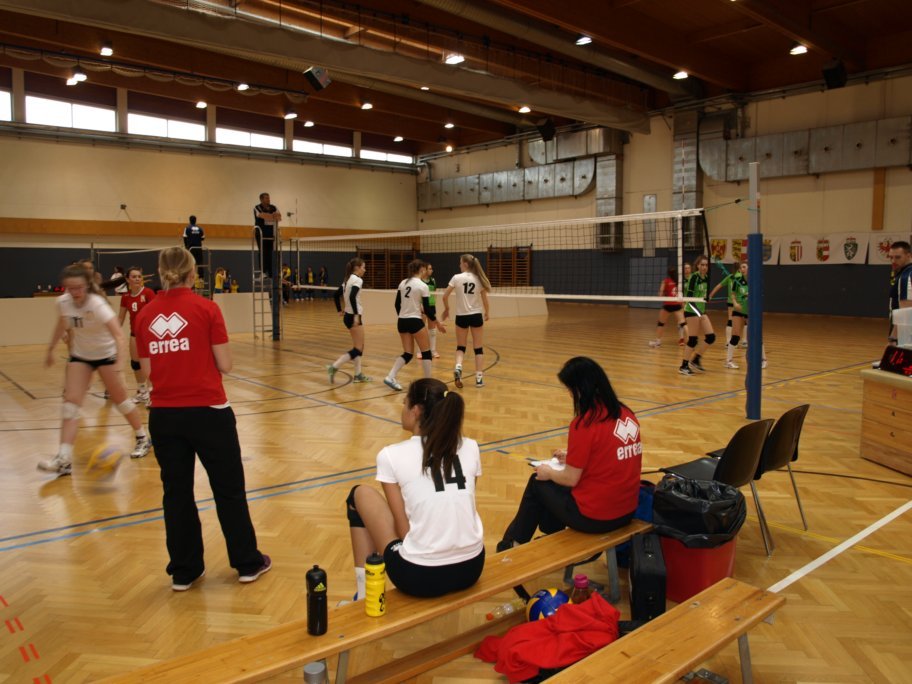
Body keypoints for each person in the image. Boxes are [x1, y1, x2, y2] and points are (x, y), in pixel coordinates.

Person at [134, 247, 271, 591]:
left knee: (176, 493)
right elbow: (226, 365)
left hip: (164, 417)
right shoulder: (207, 309)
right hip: (209, 413)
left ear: (160, 273)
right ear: (193, 274)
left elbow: (146, 371)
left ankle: (184, 570)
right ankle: (247, 563)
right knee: (228, 490)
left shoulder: (145, 314)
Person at [345, 378, 484, 599]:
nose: (402, 408)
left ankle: (364, 596)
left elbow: (403, 531)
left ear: (416, 410)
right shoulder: (471, 446)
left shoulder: (390, 455)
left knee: (359, 494)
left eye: (405, 403)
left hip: (420, 577)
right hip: (472, 567)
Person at [496, 357, 641, 551]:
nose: (569, 394)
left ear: (580, 389)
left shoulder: (585, 423)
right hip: (627, 510)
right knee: (552, 488)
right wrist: (572, 457)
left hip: (597, 517)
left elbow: (570, 479)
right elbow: (608, 455)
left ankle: (512, 544)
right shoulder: (627, 414)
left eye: (570, 389)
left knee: (538, 482)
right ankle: (550, 535)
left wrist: (549, 472)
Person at [37, 264, 152, 475]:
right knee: (70, 404)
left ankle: (142, 436)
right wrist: (51, 349)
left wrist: (118, 365)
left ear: (87, 285)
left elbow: (119, 335)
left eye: (79, 287)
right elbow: (62, 324)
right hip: (81, 356)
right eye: (70, 288)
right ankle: (64, 458)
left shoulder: (97, 304)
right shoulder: (63, 302)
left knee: (121, 401)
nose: (75, 292)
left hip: (106, 355)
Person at [383, 260, 445, 391]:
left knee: (408, 353)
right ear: (421, 270)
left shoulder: (403, 283)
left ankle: (390, 376)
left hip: (402, 321)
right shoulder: (423, 286)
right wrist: (438, 323)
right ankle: (428, 383)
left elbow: (397, 304)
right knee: (426, 353)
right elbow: (428, 310)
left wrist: (404, 315)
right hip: (415, 321)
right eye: (425, 269)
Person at [440, 254, 491, 389]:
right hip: (476, 315)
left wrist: (447, 309)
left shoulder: (456, 278)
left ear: (466, 264)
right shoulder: (479, 279)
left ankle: (458, 367)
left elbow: (444, 296)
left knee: (461, 347)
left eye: (460, 263)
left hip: (461, 316)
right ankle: (479, 379)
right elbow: (485, 300)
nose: (459, 265)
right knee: (478, 348)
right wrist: (487, 312)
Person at [328, 257, 372, 384]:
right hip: (353, 316)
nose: (365, 270)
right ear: (357, 268)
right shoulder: (357, 280)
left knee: (358, 346)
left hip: (348, 315)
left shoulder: (347, 280)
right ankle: (334, 367)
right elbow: (352, 296)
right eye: (363, 267)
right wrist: (356, 315)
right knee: (358, 349)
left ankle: (358, 375)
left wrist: (339, 310)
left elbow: (336, 295)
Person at [118, 266, 156, 405]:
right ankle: (142, 391)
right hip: (134, 333)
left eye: (139, 276)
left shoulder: (148, 293)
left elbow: (155, 313)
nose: (137, 279)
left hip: (148, 334)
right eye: (134, 277)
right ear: (128, 279)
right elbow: (120, 317)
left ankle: (152, 393)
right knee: (135, 363)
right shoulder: (125, 297)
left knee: (149, 363)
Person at [679, 255, 715, 376]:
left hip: (701, 311)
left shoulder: (707, 278)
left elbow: (703, 295)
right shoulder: (694, 277)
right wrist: (699, 313)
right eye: (702, 265)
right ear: (698, 266)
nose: (704, 267)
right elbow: (689, 299)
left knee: (711, 337)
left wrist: (707, 298)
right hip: (691, 311)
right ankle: (684, 366)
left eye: (706, 265)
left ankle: (696, 359)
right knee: (693, 339)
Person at [647, 267, 685, 348]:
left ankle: (658, 342)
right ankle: (690, 342)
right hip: (677, 304)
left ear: (668, 273)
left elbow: (660, 295)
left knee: (661, 323)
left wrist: (663, 293)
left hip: (668, 304)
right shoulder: (679, 282)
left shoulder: (665, 281)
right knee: (683, 324)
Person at [253, 192, 280, 278]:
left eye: (269, 198)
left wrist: (268, 216)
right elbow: (261, 215)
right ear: (261, 199)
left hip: (271, 234)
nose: (269, 199)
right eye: (266, 198)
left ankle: (271, 272)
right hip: (261, 234)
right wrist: (272, 216)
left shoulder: (274, 207)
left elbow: (279, 217)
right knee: (263, 252)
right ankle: (263, 272)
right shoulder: (257, 207)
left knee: (271, 253)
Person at [423, 262, 441, 358]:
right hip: (422, 307)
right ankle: (420, 351)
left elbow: (434, 292)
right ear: (424, 270)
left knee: (432, 330)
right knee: (421, 329)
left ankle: (433, 350)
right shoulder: (420, 281)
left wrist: (433, 302)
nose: (432, 270)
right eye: (430, 269)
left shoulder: (433, 280)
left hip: (431, 306)